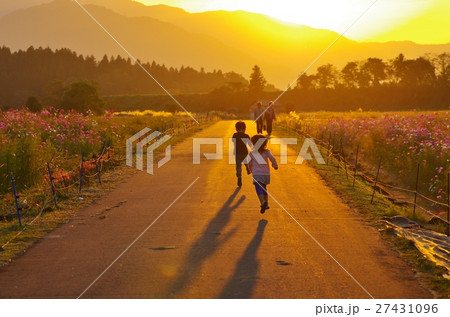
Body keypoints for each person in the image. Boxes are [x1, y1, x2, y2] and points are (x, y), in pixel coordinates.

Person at [249, 134, 278, 214]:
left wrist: (250, 169)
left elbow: (249, 162)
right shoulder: (267, 152)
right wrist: (275, 165)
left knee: (258, 187)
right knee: (264, 187)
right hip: (266, 173)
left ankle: (262, 202)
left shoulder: (252, 153)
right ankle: (266, 203)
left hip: (257, 173)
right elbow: (273, 159)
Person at [232, 121, 251, 187]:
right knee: (246, 162)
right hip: (245, 153)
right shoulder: (246, 136)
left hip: (237, 153)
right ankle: (247, 168)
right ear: (244, 128)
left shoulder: (235, 135)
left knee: (238, 166)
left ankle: (239, 177)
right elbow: (250, 144)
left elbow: (232, 141)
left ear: (236, 128)